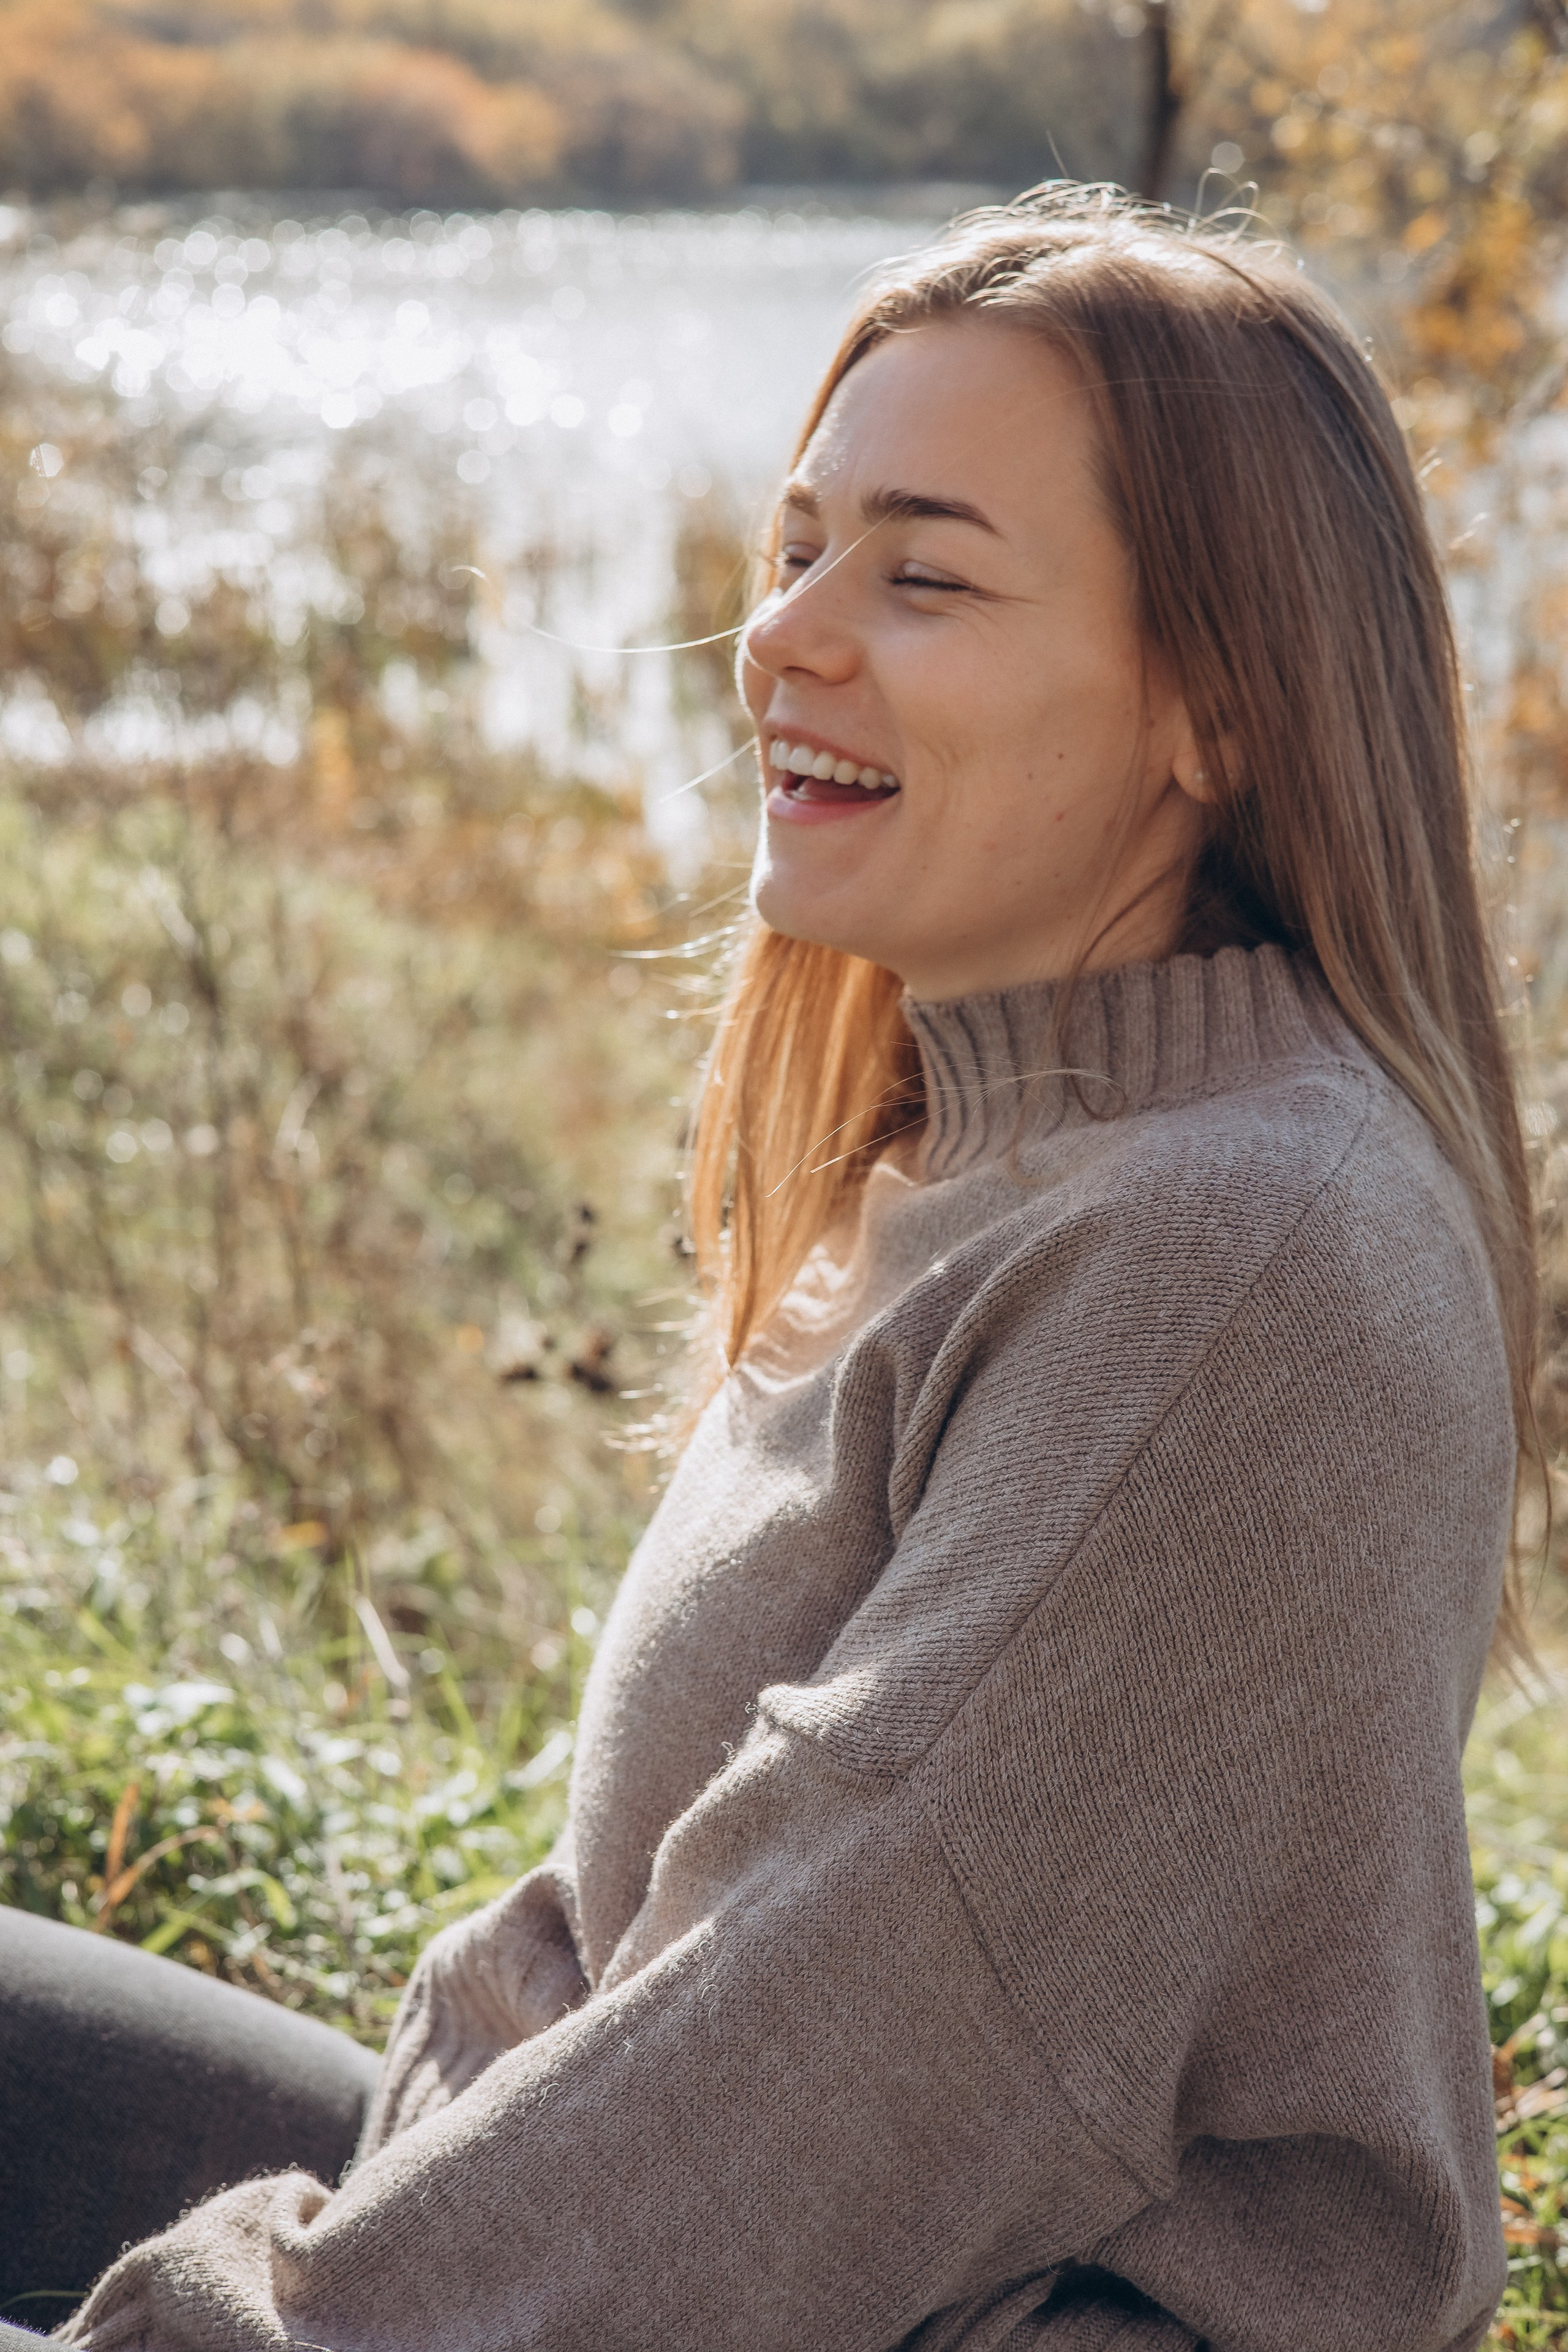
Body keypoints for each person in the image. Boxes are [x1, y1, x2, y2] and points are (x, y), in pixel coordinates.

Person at [3, 183, 1531, 2351]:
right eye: (799, 544)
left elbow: (828, 2053)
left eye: (924, 575)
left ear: (1220, 709)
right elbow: (667, 1972)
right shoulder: (997, 1145)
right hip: (652, 2194)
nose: (789, 635)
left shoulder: (1240, 1265)